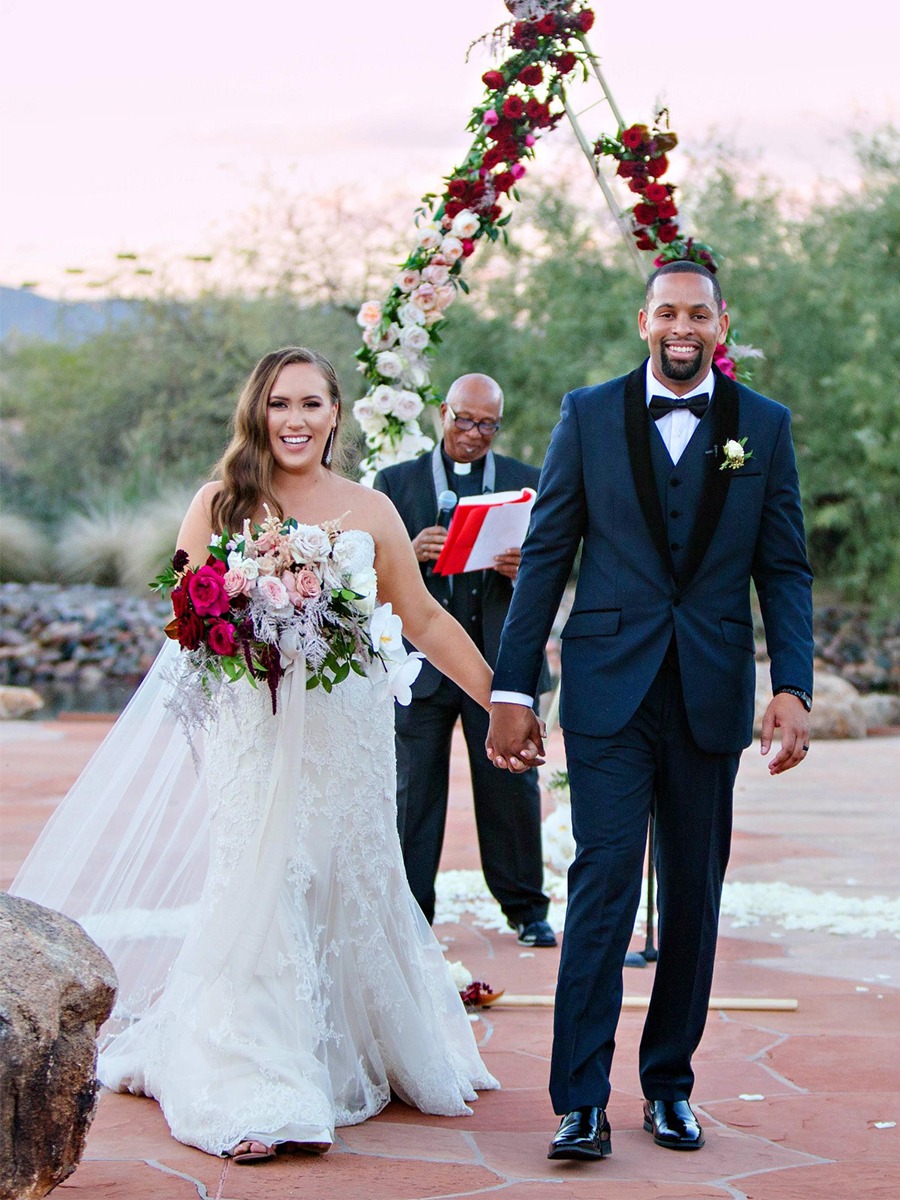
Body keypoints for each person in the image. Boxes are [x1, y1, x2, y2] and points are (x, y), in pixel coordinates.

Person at [11, 346, 498, 1164]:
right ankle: (256, 1079)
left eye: (311, 403)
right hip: (256, 733)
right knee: (267, 881)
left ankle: (350, 1043)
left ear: (336, 413)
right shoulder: (218, 505)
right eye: (279, 404)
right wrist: (250, 614)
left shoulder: (371, 509)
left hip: (346, 739)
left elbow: (425, 620)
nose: (296, 420)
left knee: (348, 875)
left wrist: (503, 701)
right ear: (257, 413)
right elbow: (185, 622)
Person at [487, 262, 814, 1161]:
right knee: (602, 883)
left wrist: (793, 684)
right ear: (643, 321)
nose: (682, 326)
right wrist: (513, 689)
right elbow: (548, 554)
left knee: (695, 897)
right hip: (606, 691)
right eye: (667, 311)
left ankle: (670, 1086)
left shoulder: (767, 427)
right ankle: (581, 1099)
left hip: (710, 693)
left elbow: (783, 567)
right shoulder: (587, 414)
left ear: (721, 324)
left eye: (697, 314)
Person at [373, 373, 555, 948]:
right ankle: (408, 915)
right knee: (413, 791)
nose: (473, 434)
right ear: (441, 412)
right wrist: (412, 555)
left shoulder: (528, 482)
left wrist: (526, 567)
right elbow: (363, 574)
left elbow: (559, 565)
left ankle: (526, 908)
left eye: (487, 424)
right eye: (463, 419)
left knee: (510, 788)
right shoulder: (394, 484)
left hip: (499, 663)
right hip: (420, 666)